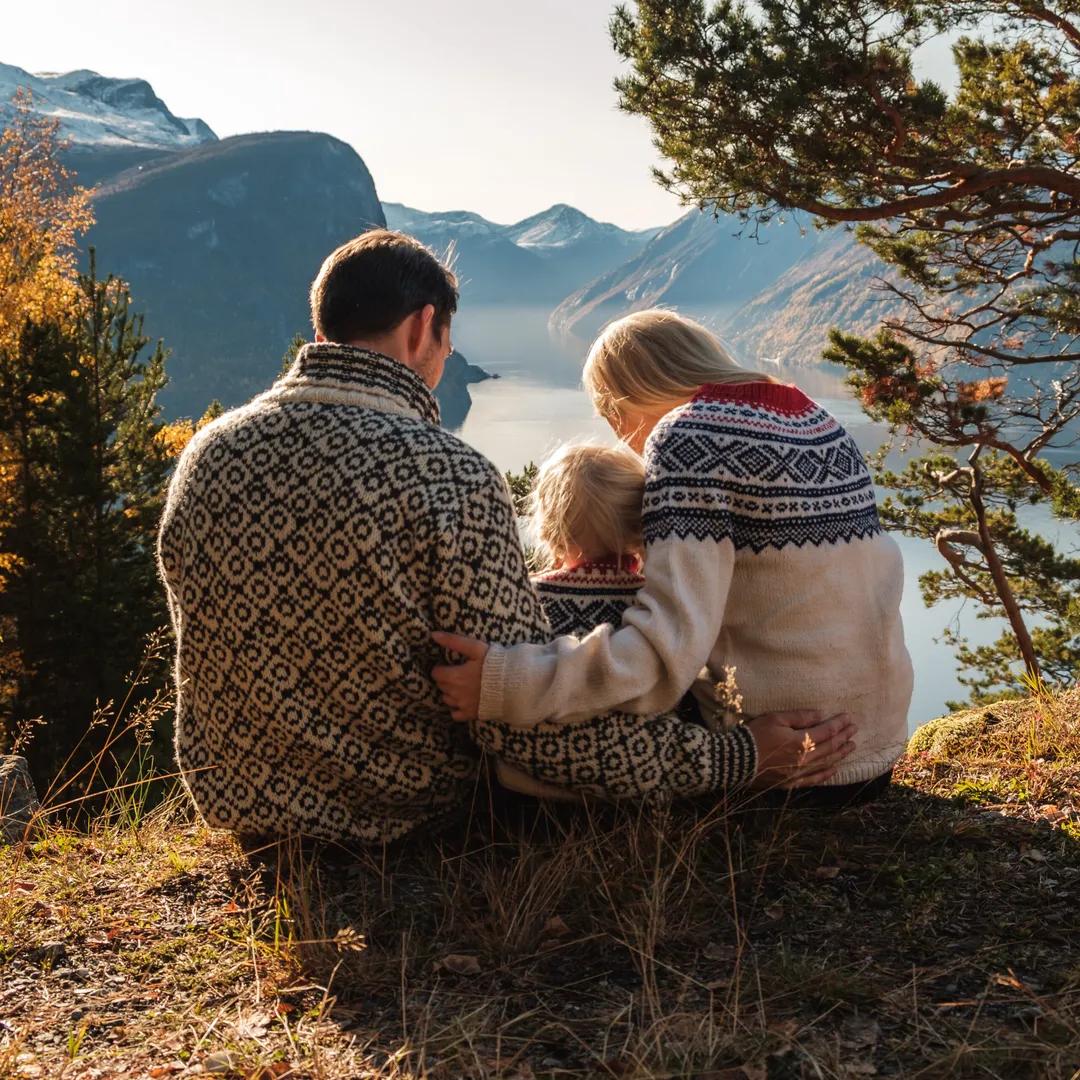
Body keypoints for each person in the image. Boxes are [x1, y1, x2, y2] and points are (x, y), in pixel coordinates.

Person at [158, 236, 857, 848]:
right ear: (422, 328)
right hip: (403, 814)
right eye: (447, 341)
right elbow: (526, 725)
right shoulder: (445, 473)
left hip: (237, 802)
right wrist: (734, 759)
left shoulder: (208, 454)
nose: (446, 355)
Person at [434, 309, 913, 805]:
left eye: (612, 419)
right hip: (871, 755)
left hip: (789, 765)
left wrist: (508, 683)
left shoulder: (687, 438)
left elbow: (664, 655)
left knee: (547, 759)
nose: (626, 445)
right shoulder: (819, 421)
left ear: (622, 402)